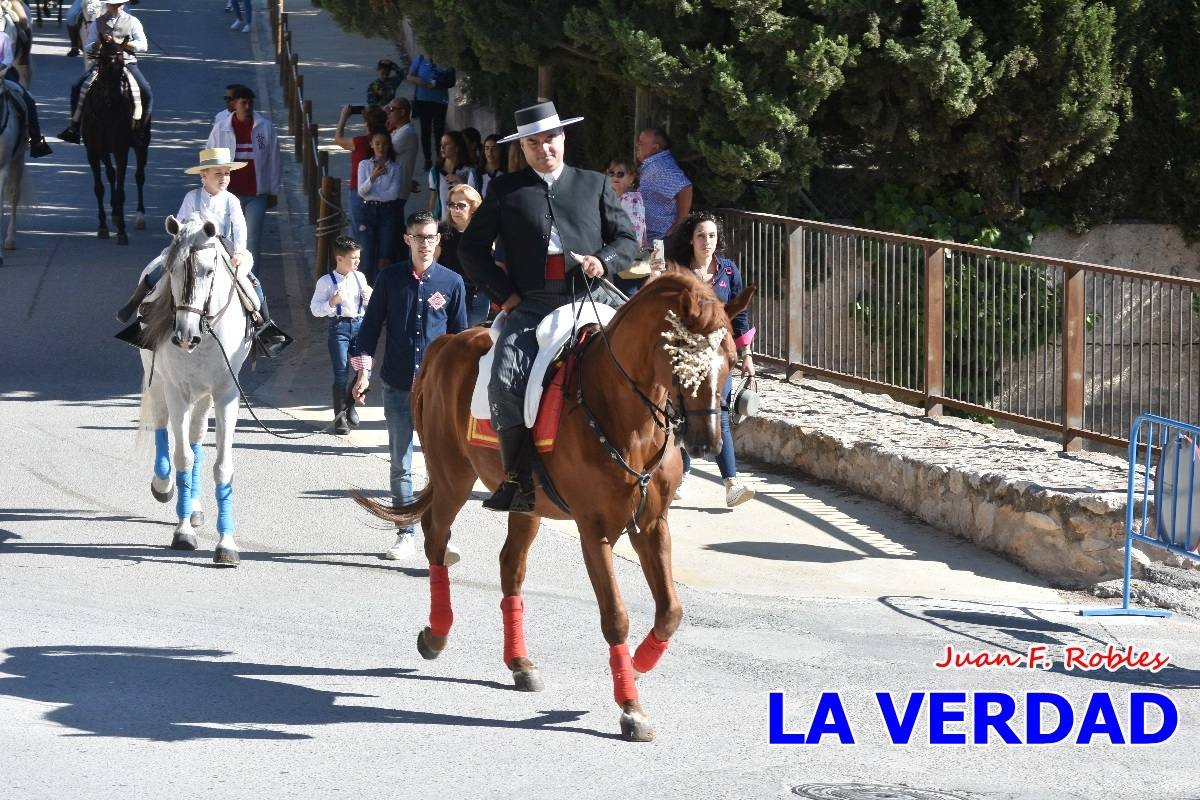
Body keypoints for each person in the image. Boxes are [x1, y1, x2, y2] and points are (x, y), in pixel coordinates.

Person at [459, 101, 638, 512]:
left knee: (651, 352)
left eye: (551, 139)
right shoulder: (506, 189)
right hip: (534, 304)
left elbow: (628, 240)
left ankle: (672, 451)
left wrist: (604, 260)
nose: (545, 148)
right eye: (534, 143)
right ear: (523, 148)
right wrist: (505, 293)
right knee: (504, 375)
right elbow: (471, 249)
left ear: (564, 138)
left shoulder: (593, 184)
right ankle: (517, 478)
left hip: (592, 296)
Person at [351, 211, 467, 562]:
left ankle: (443, 532)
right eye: (419, 237)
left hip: (438, 393)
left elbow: (461, 341)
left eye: (431, 237)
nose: (426, 244)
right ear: (407, 239)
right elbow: (369, 331)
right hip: (398, 385)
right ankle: (405, 534)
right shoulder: (389, 279)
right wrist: (362, 373)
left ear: (438, 240)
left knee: (440, 465)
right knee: (400, 463)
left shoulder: (452, 283)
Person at [115, 147, 286, 357]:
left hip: (225, 249)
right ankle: (138, 307)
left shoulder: (231, 200)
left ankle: (264, 325)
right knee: (161, 273)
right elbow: (181, 223)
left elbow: (240, 227)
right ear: (203, 175)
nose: (224, 178)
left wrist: (240, 252)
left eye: (227, 173)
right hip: (192, 248)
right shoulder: (191, 197)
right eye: (218, 173)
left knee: (251, 283)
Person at [666, 211, 756, 507]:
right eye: (701, 236)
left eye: (712, 236)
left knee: (720, 410)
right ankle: (684, 472)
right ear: (691, 241)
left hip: (718, 356)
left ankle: (731, 482)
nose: (707, 241)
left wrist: (746, 355)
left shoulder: (728, 271)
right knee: (682, 414)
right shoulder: (679, 272)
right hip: (687, 355)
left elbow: (739, 315)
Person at [206, 85, 281, 270]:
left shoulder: (264, 128)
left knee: (252, 241)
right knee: (228, 239)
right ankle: (227, 279)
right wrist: (211, 189)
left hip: (257, 194)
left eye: (250, 103)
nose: (247, 107)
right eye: (243, 103)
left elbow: (274, 160)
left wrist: (273, 190)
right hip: (230, 194)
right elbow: (209, 158)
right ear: (235, 105)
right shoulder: (220, 129)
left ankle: (252, 284)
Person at [58, 0, 153, 145]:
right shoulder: (97, 22)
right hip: (103, 64)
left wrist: (124, 43)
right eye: (112, 4)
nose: (115, 7)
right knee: (77, 87)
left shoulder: (133, 21)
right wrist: (98, 43)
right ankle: (75, 127)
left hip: (126, 63)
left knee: (145, 90)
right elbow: (89, 47)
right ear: (107, 5)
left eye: (119, 4)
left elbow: (143, 45)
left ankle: (141, 129)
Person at [309, 236, 371, 435]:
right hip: (339, 328)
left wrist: (370, 297)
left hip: (360, 326)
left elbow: (370, 299)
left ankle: (350, 403)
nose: (357, 262)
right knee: (341, 372)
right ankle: (339, 417)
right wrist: (332, 303)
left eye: (358, 257)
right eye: (353, 258)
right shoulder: (326, 282)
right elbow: (314, 309)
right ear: (340, 259)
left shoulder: (359, 277)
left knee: (365, 368)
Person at [435, 183, 489, 325]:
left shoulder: (485, 232)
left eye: (461, 205)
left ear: (474, 207)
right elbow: (431, 265)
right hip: (448, 290)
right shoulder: (440, 231)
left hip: (479, 292)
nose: (455, 209)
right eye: (451, 205)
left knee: (472, 336)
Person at [333, 103, 387, 238]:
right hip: (381, 191)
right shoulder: (386, 141)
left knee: (357, 231)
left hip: (358, 190)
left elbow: (338, 139)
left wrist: (343, 117)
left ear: (367, 124)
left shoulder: (361, 142)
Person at [356, 131, 403, 285]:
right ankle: (364, 294)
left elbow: (393, 194)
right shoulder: (364, 165)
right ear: (371, 145)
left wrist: (373, 194)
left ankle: (382, 293)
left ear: (389, 146)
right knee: (366, 256)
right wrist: (373, 177)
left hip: (387, 212)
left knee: (385, 256)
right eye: (377, 144)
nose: (380, 147)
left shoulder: (395, 167)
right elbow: (362, 192)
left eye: (384, 144)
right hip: (367, 212)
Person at [635, 126, 692, 244]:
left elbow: (685, 188)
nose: (637, 145)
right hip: (653, 237)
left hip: (661, 238)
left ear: (655, 148)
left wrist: (679, 224)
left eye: (641, 143)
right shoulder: (655, 164)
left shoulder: (660, 166)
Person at [0, 34, 51, 157]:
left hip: (3, 75)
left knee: (27, 99)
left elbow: (7, 59)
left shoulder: (3, 37)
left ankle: (36, 139)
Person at [607, 156, 650, 295]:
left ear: (631, 178)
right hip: (618, 259)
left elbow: (635, 234)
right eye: (611, 173)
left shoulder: (632, 199)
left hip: (628, 260)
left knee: (627, 302)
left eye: (620, 174)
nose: (615, 177)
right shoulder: (615, 198)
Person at [384, 97, 419, 262]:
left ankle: (405, 263)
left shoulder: (407, 133)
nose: (388, 113)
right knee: (396, 230)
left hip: (396, 191)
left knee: (394, 232)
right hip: (395, 187)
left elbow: (383, 152)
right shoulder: (399, 131)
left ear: (403, 112)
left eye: (391, 110)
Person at [405, 53, 449, 172]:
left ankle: (441, 159)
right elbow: (409, 76)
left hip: (440, 100)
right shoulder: (420, 58)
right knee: (425, 131)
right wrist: (419, 81)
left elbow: (450, 79)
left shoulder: (444, 58)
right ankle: (428, 159)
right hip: (423, 100)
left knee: (439, 131)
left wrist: (436, 83)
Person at [427, 130, 476, 223]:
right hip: (442, 222)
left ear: (457, 148)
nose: (442, 147)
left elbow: (474, 198)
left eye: (447, 144)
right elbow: (433, 199)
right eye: (441, 144)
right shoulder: (435, 171)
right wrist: (430, 221)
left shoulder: (469, 171)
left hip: (464, 222)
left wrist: (461, 181)